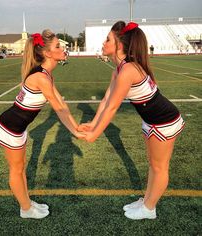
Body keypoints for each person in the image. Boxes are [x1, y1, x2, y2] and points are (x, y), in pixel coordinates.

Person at [78, 21, 185, 220]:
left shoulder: (128, 70)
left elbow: (112, 108)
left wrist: (95, 134)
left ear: (119, 45)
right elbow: (106, 100)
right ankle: (146, 200)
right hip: (151, 120)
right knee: (153, 165)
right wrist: (93, 123)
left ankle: (150, 208)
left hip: (164, 121)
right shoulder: (118, 70)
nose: (103, 43)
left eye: (108, 39)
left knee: (159, 167)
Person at [0, 30, 85, 219]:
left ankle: (27, 203)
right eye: (58, 46)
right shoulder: (41, 77)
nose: (62, 48)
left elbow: (60, 102)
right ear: (48, 53)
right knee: (17, 170)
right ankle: (25, 209)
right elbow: (58, 108)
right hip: (10, 128)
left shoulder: (45, 74)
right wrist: (76, 132)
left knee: (20, 167)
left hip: (17, 128)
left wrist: (77, 127)